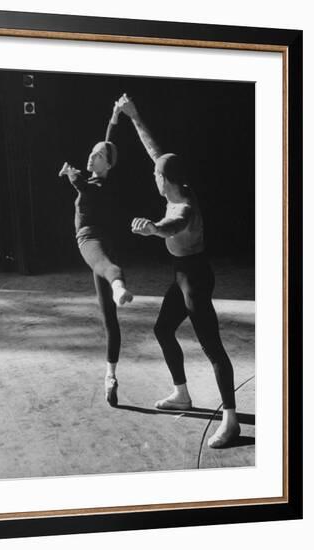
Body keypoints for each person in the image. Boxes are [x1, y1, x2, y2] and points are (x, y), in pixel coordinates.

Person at [117, 93, 241, 448]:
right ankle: (182, 395)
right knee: (162, 329)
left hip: (195, 279)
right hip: (184, 275)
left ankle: (230, 421)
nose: (152, 174)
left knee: (213, 348)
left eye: (155, 174)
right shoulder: (177, 185)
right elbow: (154, 151)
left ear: (164, 180)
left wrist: (153, 229)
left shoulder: (183, 205)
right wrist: (134, 115)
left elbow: (173, 225)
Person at [59, 102, 133, 407]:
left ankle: (118, 285)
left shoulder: (100, 183)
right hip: (104, 246)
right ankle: (110, 375)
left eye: (99, 156)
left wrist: (71, 176)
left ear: (108, 164)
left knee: (106, 268)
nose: (92, 156)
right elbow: (105, 142)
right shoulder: (97, 174)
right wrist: (113, 119)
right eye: (92, 152)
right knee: (109, 320)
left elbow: (86, 189)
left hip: (90, 240)